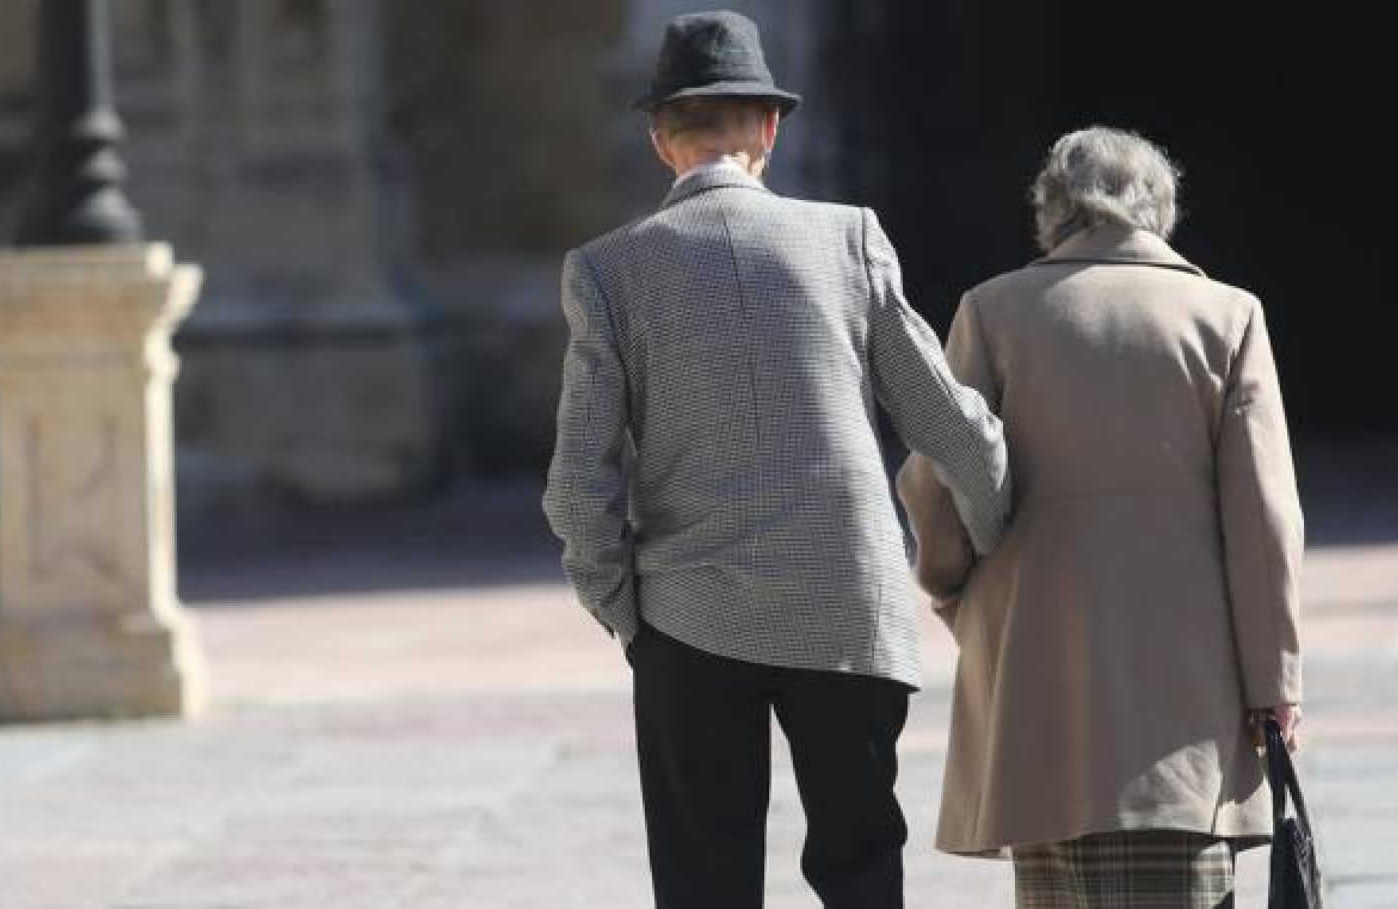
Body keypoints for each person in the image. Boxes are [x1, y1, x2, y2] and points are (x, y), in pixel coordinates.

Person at [543, 10, 1011, 909]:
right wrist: (988, 543)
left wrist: (625, 610)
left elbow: (577, 483)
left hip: (690, 614)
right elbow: (946, 425)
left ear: (659, 141)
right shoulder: (850, 238)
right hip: (847, 605)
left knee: (704, 880)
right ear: (770, 126)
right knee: (861, 866)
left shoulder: (608, 270)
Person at [897, 126, 1304, 908]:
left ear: (1053, 210)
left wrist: (960, 594)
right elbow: (1264, 519)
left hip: (1036, 696)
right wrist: (1274, 679)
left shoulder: (994, 313)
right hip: (1183, 720)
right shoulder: (1226, 316)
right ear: (1160, 210)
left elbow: (935, 479)